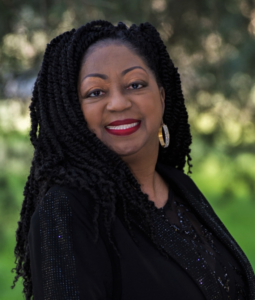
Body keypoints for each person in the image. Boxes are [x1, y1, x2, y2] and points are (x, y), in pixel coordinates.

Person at [12, 20, 254, 300]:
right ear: (73, 114)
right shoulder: (68, 211)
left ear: (162, 97)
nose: (118, 103)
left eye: (135, 84)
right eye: (95, 92)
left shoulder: (180, 188)